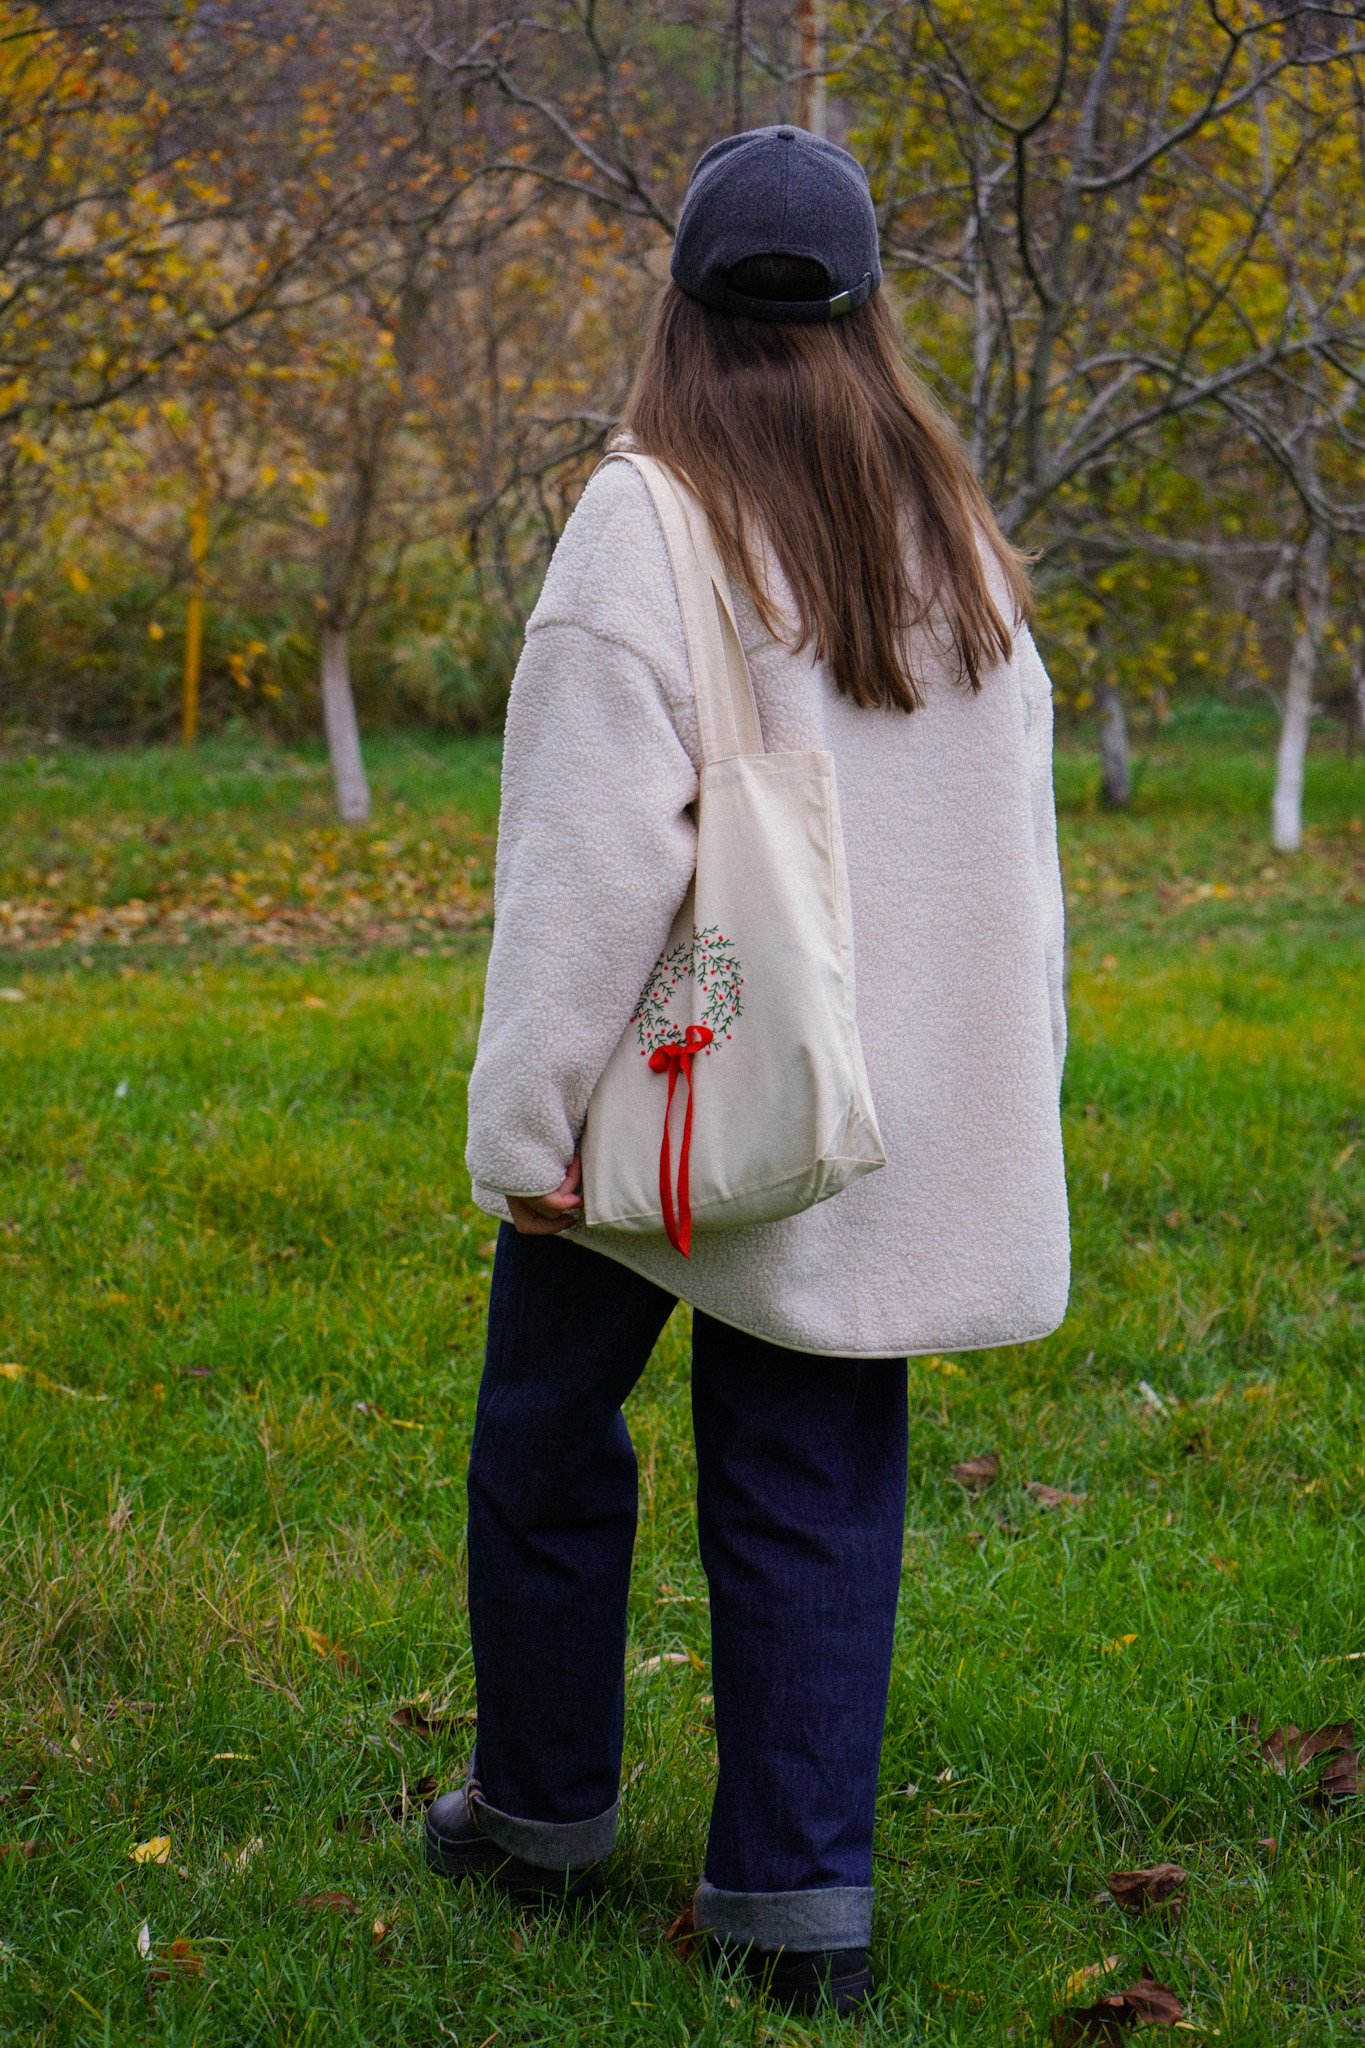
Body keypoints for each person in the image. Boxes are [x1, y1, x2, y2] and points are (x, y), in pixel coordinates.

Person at [424, 125, 1069, 2016]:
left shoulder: (647, 514)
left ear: (679, 308)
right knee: (811, 1476)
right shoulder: (948, 520)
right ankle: (799, 1910)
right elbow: (1014, 857)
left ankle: (538, 1816)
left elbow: (585, 864)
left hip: (673, 1096)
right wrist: (1012, 1078)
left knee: (546, 1441)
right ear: (871, 314)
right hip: (882, 1111)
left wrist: (525, 1121)